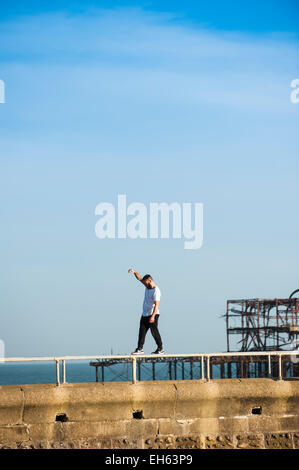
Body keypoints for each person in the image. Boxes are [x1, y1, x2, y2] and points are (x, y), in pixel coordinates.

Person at [128, 269, 165, 355]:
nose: (144, 284)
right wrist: (135, 272)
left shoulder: (156, 291)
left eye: (146, 283)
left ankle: (160, 349)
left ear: (150, 280)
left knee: (154, 332)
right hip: (145, 314)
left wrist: (152, 316)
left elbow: (156, 305)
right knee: (142, 331)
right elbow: (139, 278)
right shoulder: (147, 286)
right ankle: (140, 348)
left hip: (153, 314)